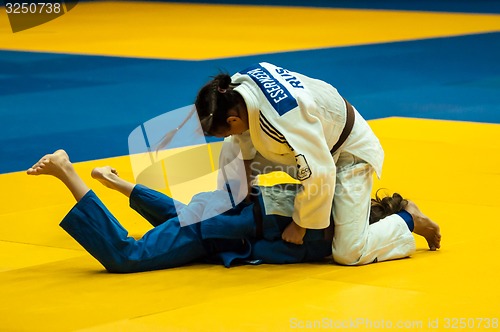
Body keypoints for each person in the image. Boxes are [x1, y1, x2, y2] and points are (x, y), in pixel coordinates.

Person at [195, 62, 441, 265]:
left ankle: (408, 219)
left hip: (347, 153)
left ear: (233, 118)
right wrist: (243, 180)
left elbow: (320, 171)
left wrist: (300, 225)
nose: (230, 135)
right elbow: (243, 138)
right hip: (305, 144)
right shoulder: (233, 89)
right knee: (232, 149)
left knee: (349, 252)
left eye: (227, 130)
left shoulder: (285, 118)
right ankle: (230, 207)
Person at [26, 149, 416, 273]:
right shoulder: (327, 233)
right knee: (127, 256)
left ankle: (119, 184)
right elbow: (278, 247)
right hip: (223, 226)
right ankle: (67, 173)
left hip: (222, 210)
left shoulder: (321, 198)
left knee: (187, 221)